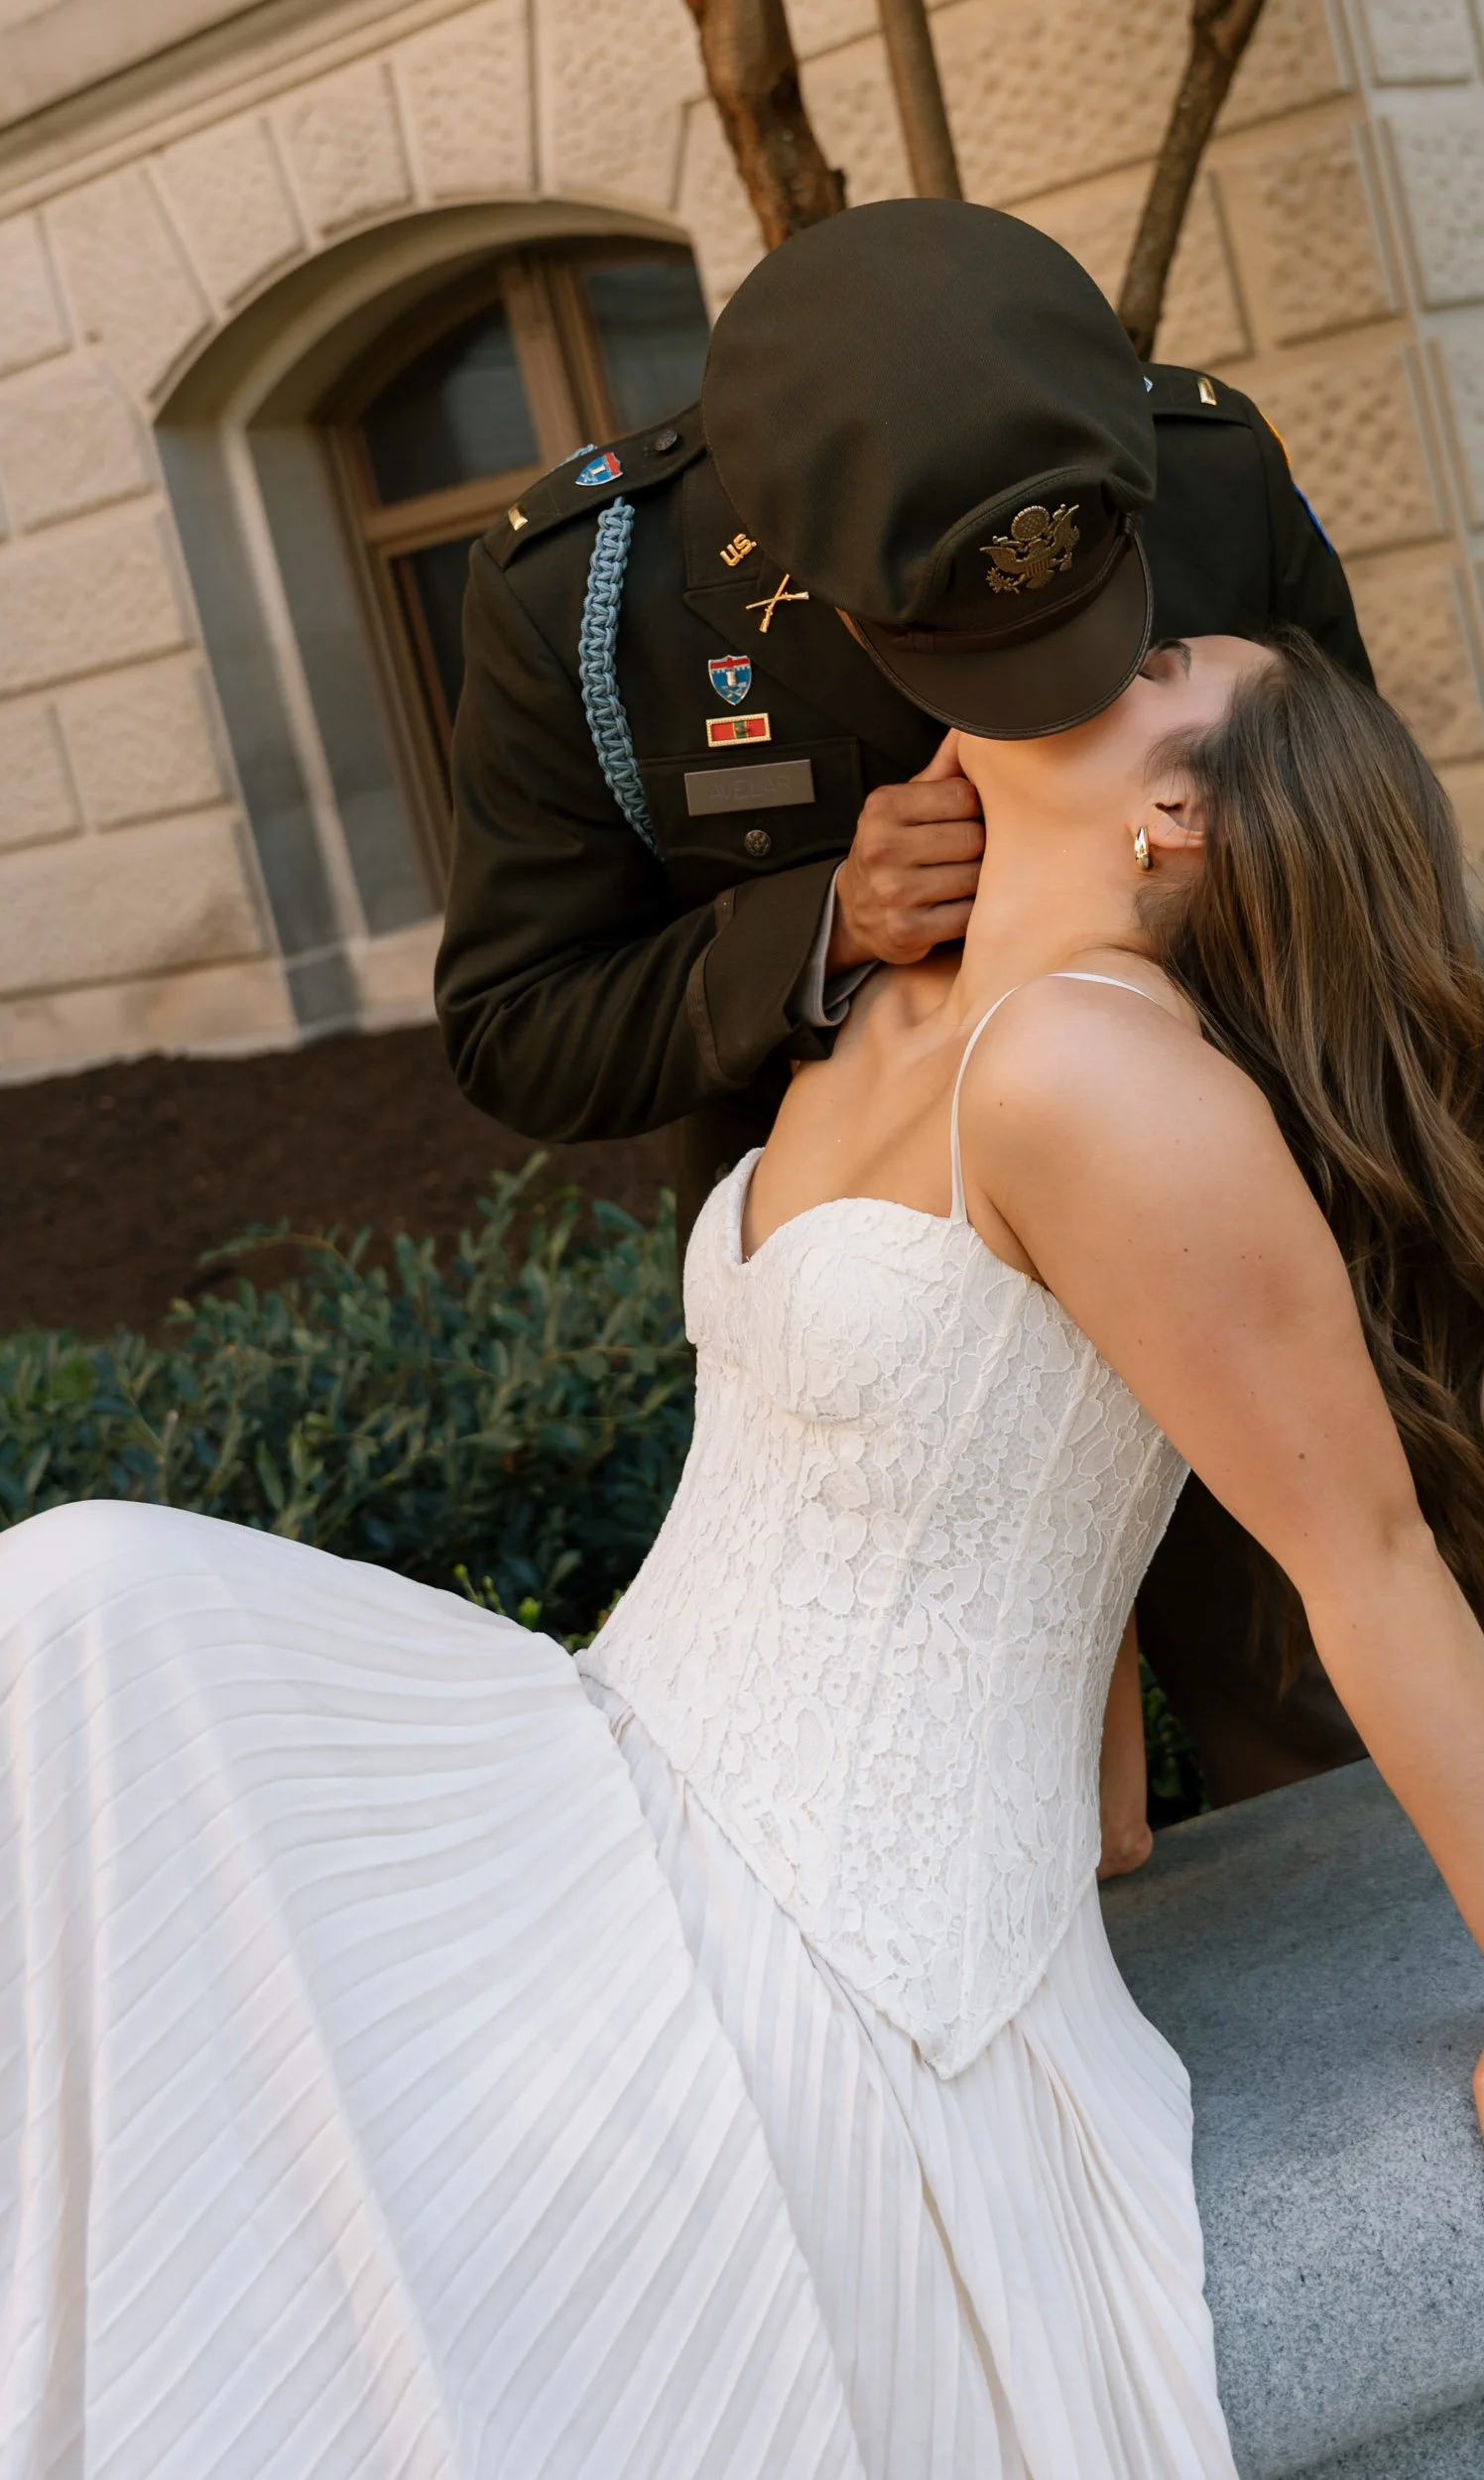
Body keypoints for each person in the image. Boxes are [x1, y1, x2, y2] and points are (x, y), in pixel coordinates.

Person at [0, 626, 1484, 2480]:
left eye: (1156, 652)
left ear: (1177, 811)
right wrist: (1101, 1776)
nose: (1089, 626)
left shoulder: (1112, 1082)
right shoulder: (894, 1013)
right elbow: (1006, 1420)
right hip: (619, 1771)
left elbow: (1371, 1554)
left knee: (86, 1611)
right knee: (80, 1637)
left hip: (822, 1934)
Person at [438, 196, 1373, 1816]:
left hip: (1214, 1233)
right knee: (971, 1825)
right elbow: (520, 1025)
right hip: (905, 1373)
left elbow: (1364, 858)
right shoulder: (588, 599)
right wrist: (819, 924)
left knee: (1318, 1745)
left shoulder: (1208, 474)